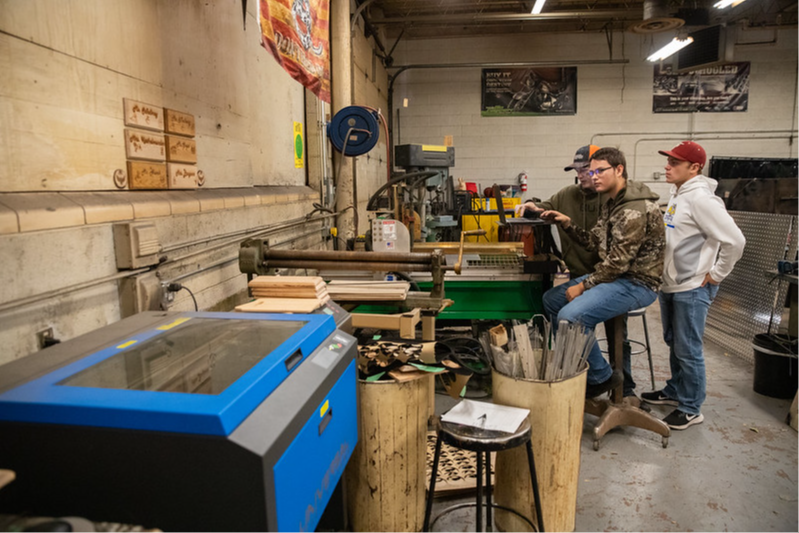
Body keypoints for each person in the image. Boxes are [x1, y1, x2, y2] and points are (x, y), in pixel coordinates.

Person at [540, 147, 665, 397]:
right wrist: (567, 224)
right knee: (551, 300)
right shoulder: (613, 203)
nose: (594, 176)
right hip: (616, 277)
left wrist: (583, 286)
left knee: (571, 316)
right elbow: (594, 242)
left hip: (636, 282)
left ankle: (601, 378)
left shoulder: (634, 209)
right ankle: (575, 365)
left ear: (619, 170)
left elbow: (618, 263)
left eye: (600, 171)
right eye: (591, 171)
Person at [642, 141, 745, 430]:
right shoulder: (678, 194)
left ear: (694, 167)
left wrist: (717, 273)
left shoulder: (702, 199)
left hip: (693, 287)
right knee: (675, 342)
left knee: (688, 349)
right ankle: (676, 391)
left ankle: (691, 407)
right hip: (673, 285)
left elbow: (736, 241)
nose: (667, 166)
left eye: (674, 162)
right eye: (668, 161)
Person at [515, 145, 603, 277]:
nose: (579, 176)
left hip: (604, 275)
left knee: (553, 298)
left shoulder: (611, 198)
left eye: (584, 170)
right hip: (576, 273)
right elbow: (544, 208)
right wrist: (531, 206)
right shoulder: (567, 194)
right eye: (577, 171)